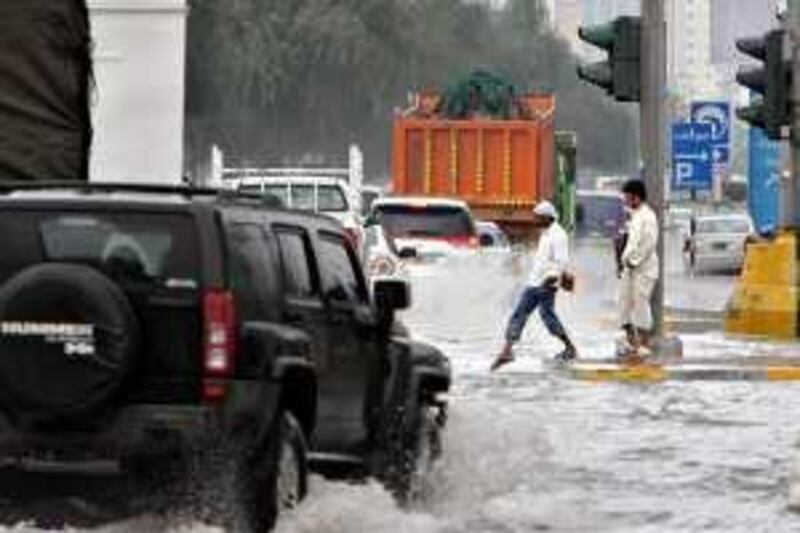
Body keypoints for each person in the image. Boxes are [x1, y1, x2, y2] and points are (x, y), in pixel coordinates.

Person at [491, 201, 577, 371]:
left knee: (520, 313)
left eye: (538, 217)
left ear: (547, 217)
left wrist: (551, 278)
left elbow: (562, 261)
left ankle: (507, 350)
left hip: (544, 282)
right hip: (538, 281)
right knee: (547, 315)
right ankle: (569, 347)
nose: (535, 220)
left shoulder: (558, 235)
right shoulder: (547, 233)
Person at [618, 179, 659, 358]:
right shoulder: (634, 216)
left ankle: (643, 343)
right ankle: (631, 342)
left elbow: (648, 244)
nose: (625, 200)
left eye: (627, 197)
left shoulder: (648, 216)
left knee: (641, 304)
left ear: (636, 197)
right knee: (624, 305)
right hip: (629, 269)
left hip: (643, 269)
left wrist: (634, 261)